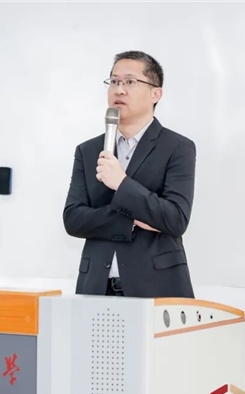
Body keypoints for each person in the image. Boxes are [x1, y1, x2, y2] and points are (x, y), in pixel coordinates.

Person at [62, 50, 196, 298]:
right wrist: (132, 221)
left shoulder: (178, 147)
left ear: (156, 94)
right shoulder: (88, 150)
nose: (119, 90)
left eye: (130, 82)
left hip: (156, 288)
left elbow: (175, 219)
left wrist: (122, 183)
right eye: (114, 81)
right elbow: (73, 219)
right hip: (96, 289)